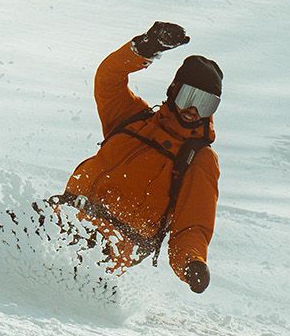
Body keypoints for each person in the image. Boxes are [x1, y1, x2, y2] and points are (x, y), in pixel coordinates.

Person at [53, 22, 222, 293]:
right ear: (174, 91)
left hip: (109, 246)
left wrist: (192, 262)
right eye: (189, 96)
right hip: (63, 215)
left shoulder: (198, 159)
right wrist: (145, 48)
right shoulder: (134, 119)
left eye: (205, 104)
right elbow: (108, 78)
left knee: (55, 270)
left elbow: (194, 224)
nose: (193, 110)